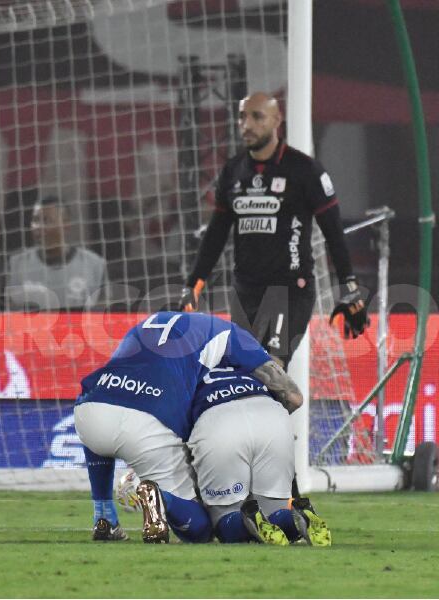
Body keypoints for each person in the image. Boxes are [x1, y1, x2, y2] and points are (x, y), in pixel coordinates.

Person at [74, 310, 331, 545]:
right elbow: (293, 396)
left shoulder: (148, 325)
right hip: (257, 420)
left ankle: (104, 517)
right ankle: (296, 516)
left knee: (222, 521)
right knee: (202, 530)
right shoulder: (231, 335)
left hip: (92, 406)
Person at [179, 92, 368, 368]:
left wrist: (349, 287)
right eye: (242, 116)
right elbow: (216, 234)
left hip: (289, 288)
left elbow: (333, 233)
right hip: (245, 290)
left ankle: (286, 399)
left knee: (270, 369)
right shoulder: (233, 171)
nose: (247, 124)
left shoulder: (304, 170)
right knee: (242, 374)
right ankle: (287, 404)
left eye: (257, 117)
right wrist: (194, 282)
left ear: (277, 120)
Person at [5, 195, 108, 310]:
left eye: (47, 220)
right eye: (35, 220)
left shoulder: (94, 265)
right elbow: (9, 314)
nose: (39, 227)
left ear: (66, 224)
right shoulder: (18, 264)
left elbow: (104, 314)